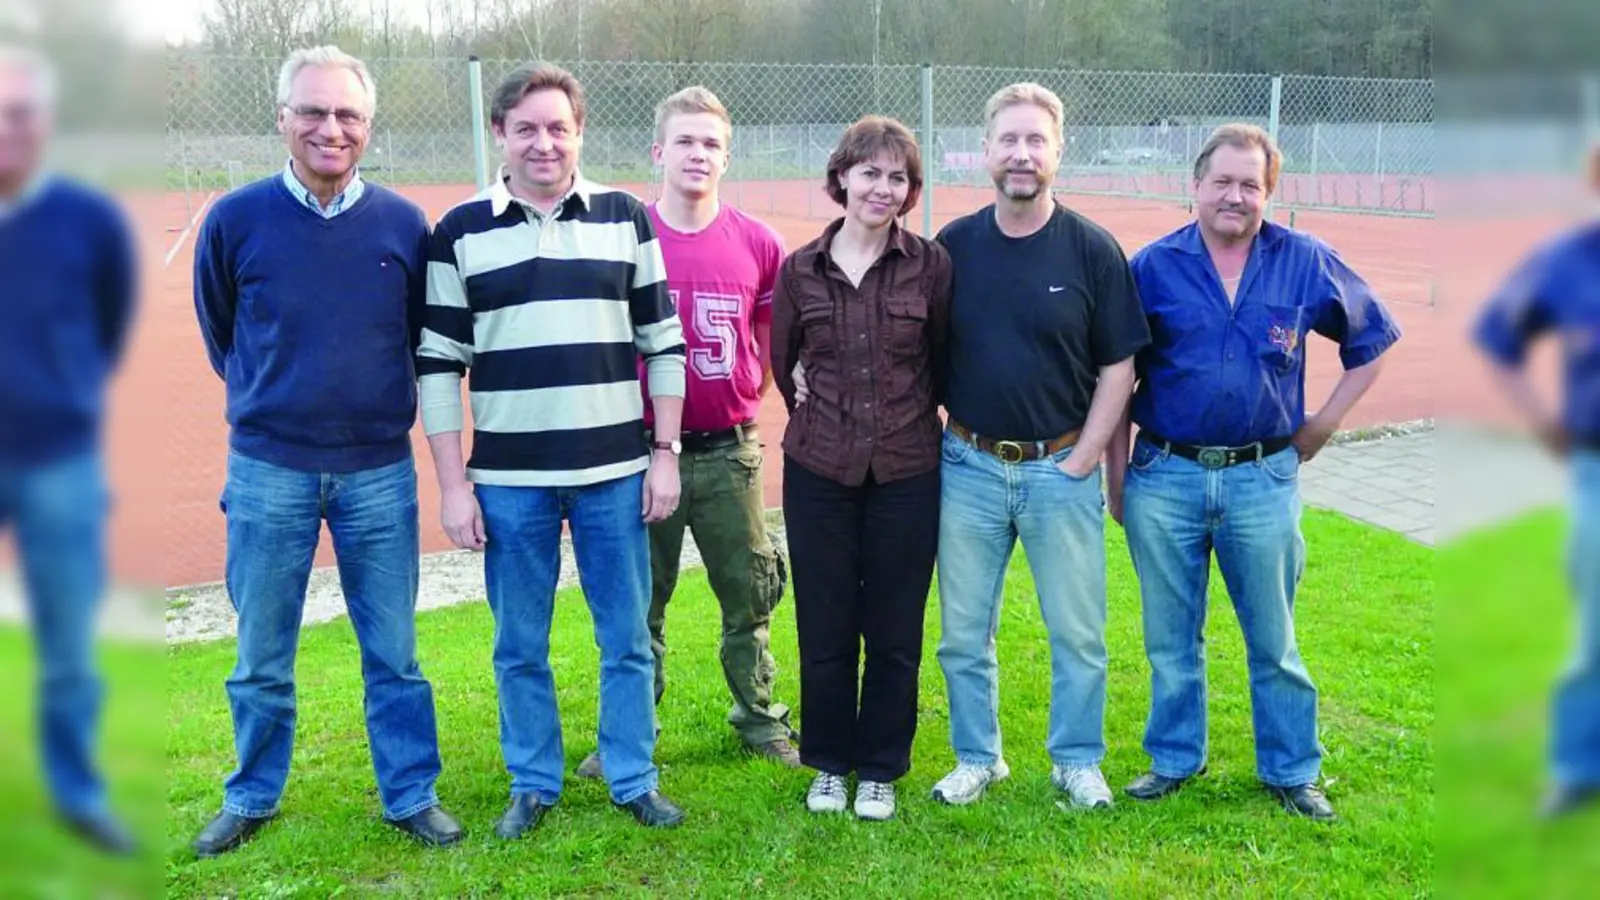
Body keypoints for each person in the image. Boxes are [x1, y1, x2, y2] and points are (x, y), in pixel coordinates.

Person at [190, 46, 462, 856]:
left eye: (347, 114)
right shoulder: (235, 219)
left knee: (395, 654)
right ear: (282, 117)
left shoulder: (403, 225)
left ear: (368, 126)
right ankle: (252, 794)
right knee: (261, 655)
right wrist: (277, 399)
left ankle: (409, 794)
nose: (330, 128)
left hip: (378, 471)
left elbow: (417, 339)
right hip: (268, 469)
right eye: (312, 111)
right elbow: (222, 332)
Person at [417, 62, 688, 837]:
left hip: (615, 474)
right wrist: (453, 485)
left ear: (580, 132)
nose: (544, 143)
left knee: (626, 638)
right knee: (518, 644)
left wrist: (665, 452)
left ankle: (633, 777)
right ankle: (533, 783)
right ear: (499, 133)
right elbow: (438, 362)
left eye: (558, 128)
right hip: (510, 482)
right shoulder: (459, 231)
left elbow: (663, 342)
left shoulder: (624, 217)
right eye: (527, 129)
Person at [1110, 123, 1402, 822]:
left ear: (1269, 192)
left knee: (1274, 638)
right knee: (1170, 637)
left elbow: (1372, 340)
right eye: (1222, 181)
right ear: (1196, 184)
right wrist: (1117, 480)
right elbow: (1117, 378)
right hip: (1166, 474)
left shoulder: (1305, 260)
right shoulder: (1151, 268)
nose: (1234, 196)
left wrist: (1326, 422)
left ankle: (1291, 770)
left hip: (1261, 478)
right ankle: (1174, 758)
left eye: (1251, 184)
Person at [928, 83, 1149, 811]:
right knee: (964, 633)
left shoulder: (1092, 250)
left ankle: (1076, 761)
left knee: (1078, 633)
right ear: (986, 150)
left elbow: (1120, 365)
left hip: (1060, 467)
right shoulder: (954, 247)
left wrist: (1085, 458)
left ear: (1058, 151)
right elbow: (916, 345)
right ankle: (977, 757)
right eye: (1009, 140)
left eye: (1036, 141)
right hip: (969, 466)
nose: (1021, 154)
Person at [575, 86, 797, 778]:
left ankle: (758, 716)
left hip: (730, 451)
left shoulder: (759, 243)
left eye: (711, 144)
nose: (698, 154)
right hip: (639, 454)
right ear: (658, 152)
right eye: (685, 141)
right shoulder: (624, 236)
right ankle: (631, 729)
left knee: (749, 593)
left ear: (726, 157)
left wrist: (730, 404)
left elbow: (766, 351)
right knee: (638, 603)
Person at [771, 115, 951, 821]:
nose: (883, 188)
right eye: (870, 172)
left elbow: (943, 360)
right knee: (825, 621)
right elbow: (786, 365)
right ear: (842, 177)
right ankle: (827, 763)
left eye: (898, 178)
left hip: (907, 470)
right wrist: (821, 406)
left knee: (896, 626)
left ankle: (879, 768)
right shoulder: (800, 270)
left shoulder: (931, 265)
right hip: (819, 470)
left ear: (910, 190)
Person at [0, 43, 138, 855]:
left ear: (45, 122)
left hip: (58, 458)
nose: (5, 130)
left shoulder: (88, 220)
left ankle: (77, 795)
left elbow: (109, 325)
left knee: (68, 644)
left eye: (18, 114)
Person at [1472, 141, 1600, 819]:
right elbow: (1500, 335)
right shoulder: (1566, 262)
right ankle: (1578, 768)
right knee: (1596, 629)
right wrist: (1542, 419)